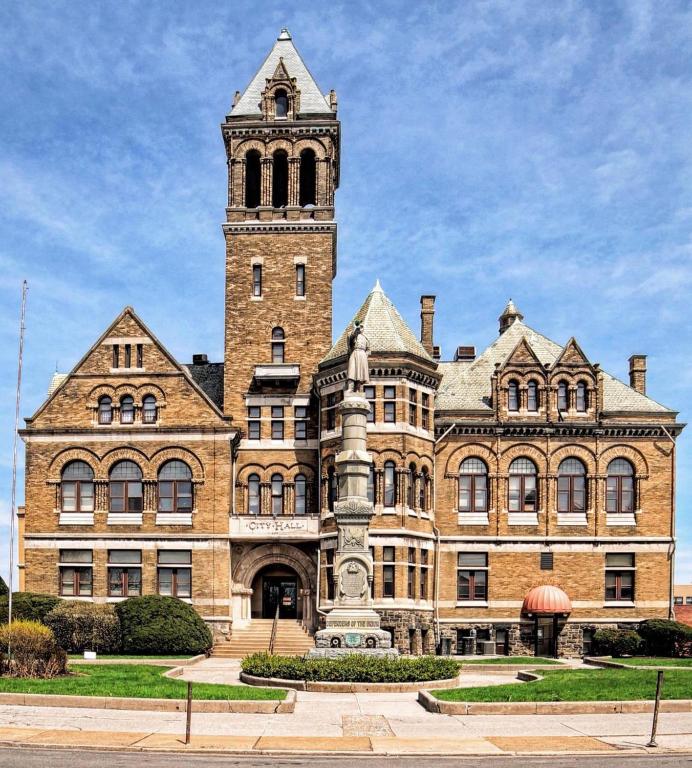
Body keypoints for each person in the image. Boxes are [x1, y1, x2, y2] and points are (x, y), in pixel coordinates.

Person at [347, 321, 370, 391]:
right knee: (352, 370)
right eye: (359, 327)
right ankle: (350, 388)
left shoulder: (365, 338)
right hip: (355, 352)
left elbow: (369, 349)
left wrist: (365, 355)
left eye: (361, 327)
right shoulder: (352, 335)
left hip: (362, 354)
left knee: (360, 373)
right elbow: (350, 340)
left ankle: (357, 389)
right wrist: (355, 329)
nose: (360, 328)